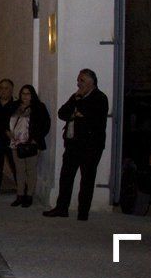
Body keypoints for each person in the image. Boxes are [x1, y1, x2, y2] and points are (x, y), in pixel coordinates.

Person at [44, 69, 109, 220]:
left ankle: (83, 212)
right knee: (66, 176)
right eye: (78, 80)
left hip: (91, 145)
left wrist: (78, 112)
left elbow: (94, 119)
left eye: (82, 81)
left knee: (87, 179)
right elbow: (62, 113)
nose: (79, 83)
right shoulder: (76, 97)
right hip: (73, 144)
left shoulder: (100, 98)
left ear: (91, 82)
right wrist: (75, 113)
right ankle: (62, 208)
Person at [7, 85, 50, 208]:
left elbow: (45, 124)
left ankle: (29, 195)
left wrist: (36, 139)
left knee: (31, 170)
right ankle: (20, 195)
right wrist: (8, 133)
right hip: (16, 143)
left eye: (28, 94)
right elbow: (5, 121)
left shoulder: (39, 107)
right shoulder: (14, 106)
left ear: (32, 95)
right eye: (23, 94)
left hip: (31, 144)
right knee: (19, 170)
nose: (25, 96)